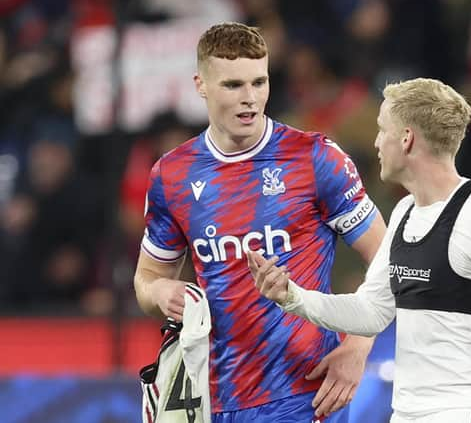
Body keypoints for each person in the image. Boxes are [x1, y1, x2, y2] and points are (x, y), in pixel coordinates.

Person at [250, 78, 471, 423]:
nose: (376, 142)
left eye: (382, 130)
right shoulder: (405, 213)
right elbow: (370, 311)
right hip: (407, 414)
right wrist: (292, 296)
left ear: (406, 139)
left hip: (468, 412)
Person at [133, 22, 386, 422]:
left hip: (308, 395)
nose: (250, 98)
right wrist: (161, 291)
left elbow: (388, 259)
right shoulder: (172, 176)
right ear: (201, 85)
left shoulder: (316, 159)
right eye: (233, 85)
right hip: (215, 399)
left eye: (259, 82)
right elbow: (145, 280)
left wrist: (358, 347)